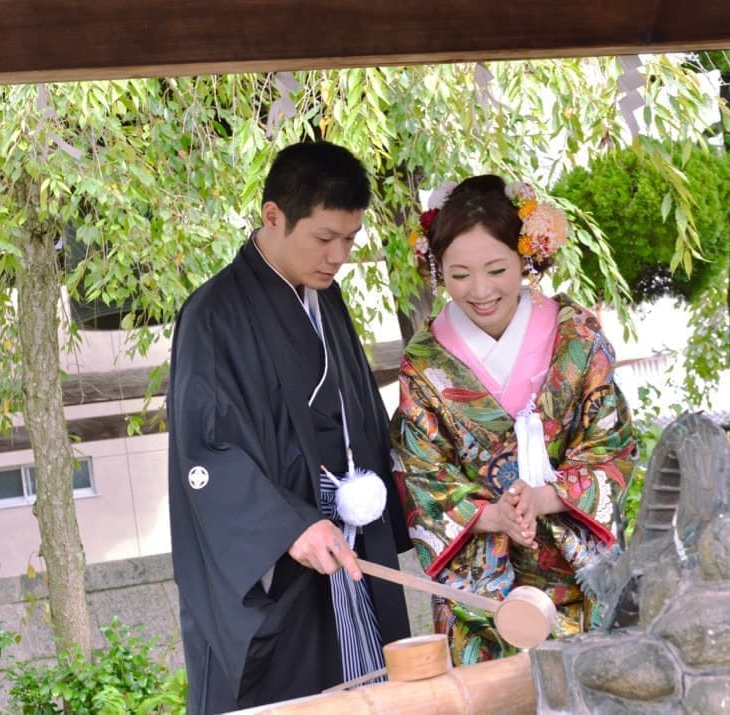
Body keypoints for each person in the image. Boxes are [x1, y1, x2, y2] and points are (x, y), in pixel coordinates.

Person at [168, 141, 411, 713]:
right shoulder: (214, 313)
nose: (338, 256)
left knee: (370, 689)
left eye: (349, 241)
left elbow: (357, 420)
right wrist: (287, 528)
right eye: (324, 238)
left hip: (348, 544)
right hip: (283, 562)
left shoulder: (327, 299)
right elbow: (207, 448)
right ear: (272, 217)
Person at [392, 174, 637, 665]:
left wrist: (547, 496)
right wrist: (493, 515)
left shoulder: (577, 337)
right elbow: (422, 475)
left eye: (497, 269)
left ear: (527, 258)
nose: (480, 290)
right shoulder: (424, 363)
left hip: (579, 578)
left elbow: (611, 445)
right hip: (483, 598)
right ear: (437, 270)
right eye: (459, 274)